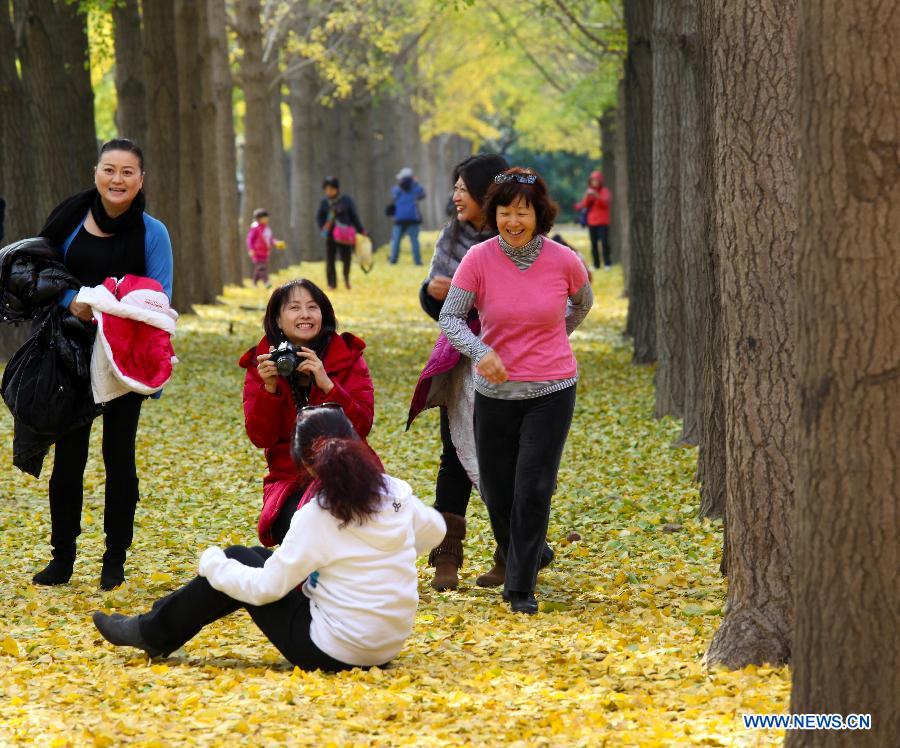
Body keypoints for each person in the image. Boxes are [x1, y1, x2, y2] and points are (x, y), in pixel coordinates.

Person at [92, 405, 447, 670]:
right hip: (388, 644)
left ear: (306, 466)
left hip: (334, 651)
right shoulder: (395, 492)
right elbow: (436, 532)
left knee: (232, 563)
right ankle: (152, 630)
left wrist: (213, 565)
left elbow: (266, 590)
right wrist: (385, 552)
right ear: (356, 446)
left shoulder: (318, 515)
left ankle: (149, 632)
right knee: (244, 558)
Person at [439, 167, 594, 614]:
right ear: (495, 214)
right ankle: (532, 550)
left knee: (533, 487)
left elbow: (582, 302)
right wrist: (479, 350)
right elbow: (451, 317)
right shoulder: (480, 259)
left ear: (538, 214)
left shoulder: (563, 260)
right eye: (505, 211)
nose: (513, 221)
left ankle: (520, 585)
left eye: (522, 212)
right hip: (495, 392)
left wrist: (557, 336)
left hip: (552, 388)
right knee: (497, 489)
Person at [32, 138, 174, 590]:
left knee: (119, 458)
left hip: (124, 361)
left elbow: (159, 300)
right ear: (96, 173)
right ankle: (62, 558)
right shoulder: (69, 221)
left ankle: (115, 559)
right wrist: (74, 301)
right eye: (109, 170)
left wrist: (113, 311)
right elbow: (40, 276)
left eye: (127, 172)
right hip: (69, 353)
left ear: (141, 180)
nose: (117, 179)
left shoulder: (154, 233)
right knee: (68, 459)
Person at [407, 153, 510, 591]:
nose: (455, 197)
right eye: (454, 188)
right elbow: (438, 306)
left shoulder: (517, 236)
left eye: (463, 189)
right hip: (460, 362)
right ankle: (446, 555)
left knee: (507, 460)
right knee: (453, 454)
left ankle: (513, 553)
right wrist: (432, 295)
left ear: (488, 192)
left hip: (510, 362)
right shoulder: (450, 238)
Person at [241, 279, 378, 547]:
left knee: (344, 521)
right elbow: (261, 438)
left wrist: (326, 383)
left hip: (347, 474)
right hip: (290, 480)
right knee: (304, 524)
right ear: (278, 320)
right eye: (294, 307)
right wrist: (269, 389)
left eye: (312, 307)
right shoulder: (263, 364)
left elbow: (361, 425)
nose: (305, 314)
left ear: (323, 315)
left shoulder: (347, 358)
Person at [315, 177, 365, 291]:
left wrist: (361, 230)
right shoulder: (324, 202)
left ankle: (346, 279)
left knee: (346, 258)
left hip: (345, 235)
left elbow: (354, 216)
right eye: (326, 189)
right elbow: (319, 217)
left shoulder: (346, 200)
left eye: (331, 189)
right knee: (330, 259)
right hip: (330, 235)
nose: (329, 192)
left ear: (337, 189)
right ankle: (332, 284)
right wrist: (323, 227)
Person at [574, 170, 612, 270]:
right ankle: (596, 264)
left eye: (596, 180)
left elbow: (605, 203)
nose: (594, 182)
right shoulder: (588, 191)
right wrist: (587, 196)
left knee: (604, 243)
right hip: (592, 222)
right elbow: (584, 205)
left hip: (603, 221)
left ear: (600, 181)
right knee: (593, 243)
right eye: (592, 181)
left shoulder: (604, 191)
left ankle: (607, 264)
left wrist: (596, 195)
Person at [388, 167, 426, 265]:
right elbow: (422, 194)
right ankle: (417, 261)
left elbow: (394, 194)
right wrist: (416, 183)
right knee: (414, 241)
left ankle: (393, 260)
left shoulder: (397, 188)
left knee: (396, 240)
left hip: (399, 218)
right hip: (412, 217)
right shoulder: (415, 187)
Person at [246, 208, 282, 287]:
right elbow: (250, 239)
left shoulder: (267, 228)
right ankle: (266, 282)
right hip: (256, 252)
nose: (266, 219)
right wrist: (251, 249)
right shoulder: (255, 228)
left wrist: (276, 243)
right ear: (258, 218)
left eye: (267, 217)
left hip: (265, 252)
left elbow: (270, 238)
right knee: (261, 267)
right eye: (264, 217)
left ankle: (254, 282)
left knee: (259, 268)